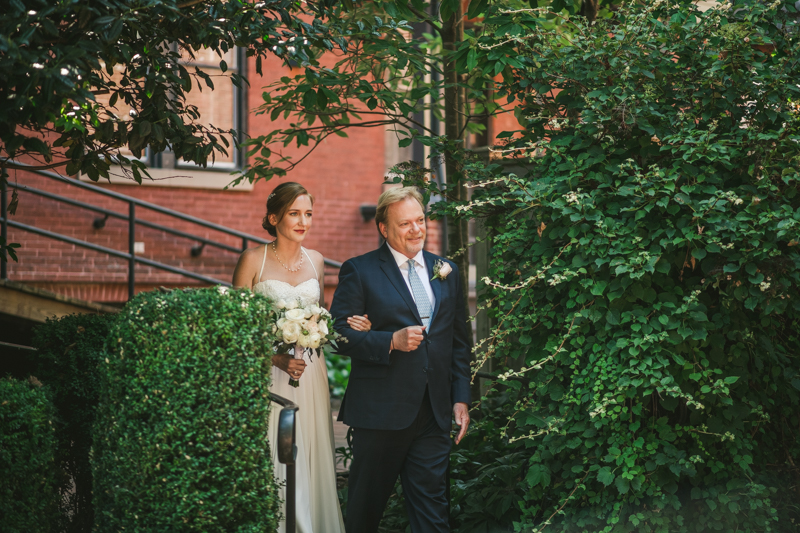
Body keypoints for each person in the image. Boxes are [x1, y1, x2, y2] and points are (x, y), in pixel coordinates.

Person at [330, 187, 472, 533]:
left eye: (420, 220)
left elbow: (458, 342)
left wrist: (460, 397)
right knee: (365, 511)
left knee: (433, 512)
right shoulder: (360, 271)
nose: (416, 230)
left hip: (433, 414)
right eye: (405, 223)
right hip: (381, 413)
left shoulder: (446, 270)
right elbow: (337, 335)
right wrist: (388, 341)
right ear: (384, 228)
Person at [232, 182, 370, 533]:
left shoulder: (318, 260)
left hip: (310, 371)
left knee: (310, 443)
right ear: (273, 217)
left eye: (308, 213)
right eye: (294, 213)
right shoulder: (252, 260)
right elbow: (237, 329)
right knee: (275, 446)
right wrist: (275, 359)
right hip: (270, 373)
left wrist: (343, 326)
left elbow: (319, 317)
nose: (303, 221)